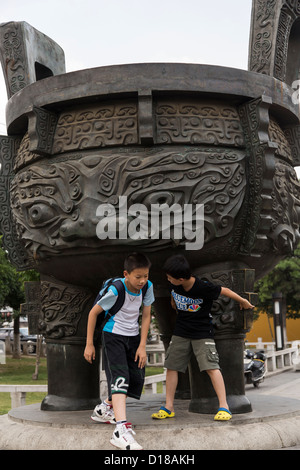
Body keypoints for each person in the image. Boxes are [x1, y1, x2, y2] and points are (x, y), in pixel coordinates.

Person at [151, 254, 254, 422]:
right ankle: (168, 407)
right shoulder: (175, 286)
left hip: (202, 334)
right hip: (180, 333)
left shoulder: (203, 287)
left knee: (212, 368)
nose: (168, 280)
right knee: (171, 367)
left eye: (171, 278)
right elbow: (173, 297)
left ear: (182, 278)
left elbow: (225, 291)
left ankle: (224, 407)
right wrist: (173, 302)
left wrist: (242, 301)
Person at [84, 252, 154, 450]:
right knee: (120, 378)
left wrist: (142, 345)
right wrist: (89, 344)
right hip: (113, 334)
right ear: (126, 274)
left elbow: (146, 316)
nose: (142, 281)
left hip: (132, 336)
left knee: (134, 377)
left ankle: (105, 408)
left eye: (145, 276)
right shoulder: (116, 290)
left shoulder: (148, 287)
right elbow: (93, 313)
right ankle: (120, 430)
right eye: (137, 276)